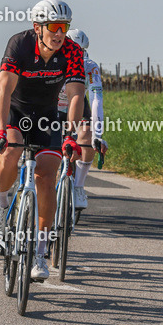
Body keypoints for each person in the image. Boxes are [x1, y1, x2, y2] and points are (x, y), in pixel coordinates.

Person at [0, 0, 85, 280]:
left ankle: (40, 253)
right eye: (54, 27)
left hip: (47, 116)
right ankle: (1, 204)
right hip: (17, 112)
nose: (59, 34)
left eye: (64, 27)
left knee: (46, 176)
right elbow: (3, 90)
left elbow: (77, 94)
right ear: (37, 27)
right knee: (12, 150)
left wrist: (71, 134)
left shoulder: (72, 51)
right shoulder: (19, 44)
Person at [61, 29, 107, 210]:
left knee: (87, 134)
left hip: (77, 102)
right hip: (53, 104)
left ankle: (79, 186)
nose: (77, 54)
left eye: (81, 51)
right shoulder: (54, 60)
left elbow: (97, 99)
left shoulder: (90, 66)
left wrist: (98, 134)